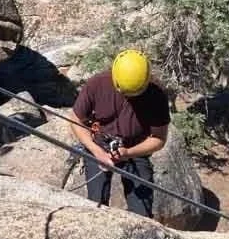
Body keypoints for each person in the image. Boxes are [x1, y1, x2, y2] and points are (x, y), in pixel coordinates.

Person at [69, 49, 171, 218]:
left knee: (142, 213)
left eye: (135, 94)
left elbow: (159, 138)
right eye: (124, 93)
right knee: (96, 206)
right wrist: (97, 151)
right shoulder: (97, 84)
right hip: (99, 145)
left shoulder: (156, 95)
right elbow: (75, 120)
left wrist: (128, 153)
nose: (129, 98)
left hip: (136, 149)